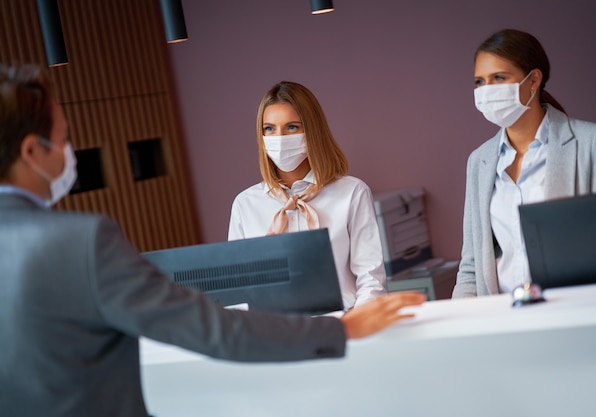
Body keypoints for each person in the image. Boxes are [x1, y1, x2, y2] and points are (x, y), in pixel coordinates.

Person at [0, 63, 426, 417]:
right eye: (62, 139)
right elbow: (214, 323)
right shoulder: (83, 241)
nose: (70, 152)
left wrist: (349, 324)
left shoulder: (351, 192)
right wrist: (340, 333)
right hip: (281, 346)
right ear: (32, 153)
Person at [452, 29, 596, 298]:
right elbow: (471, 268)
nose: (486, 91)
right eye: (479, 82)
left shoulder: (592, 142)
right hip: (502, 319)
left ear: (533, 80)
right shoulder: (479, 162)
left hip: (575, 313)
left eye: (499, 77)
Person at [228, 81, 387, 309]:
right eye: (269, 129)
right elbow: (239, 290)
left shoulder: (352, 192)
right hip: (277, 333)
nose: (279, 137)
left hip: (344, 326)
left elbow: (371, 278)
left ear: (312, 131)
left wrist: (355, 325)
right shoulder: (245, 205)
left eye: (292, 127)